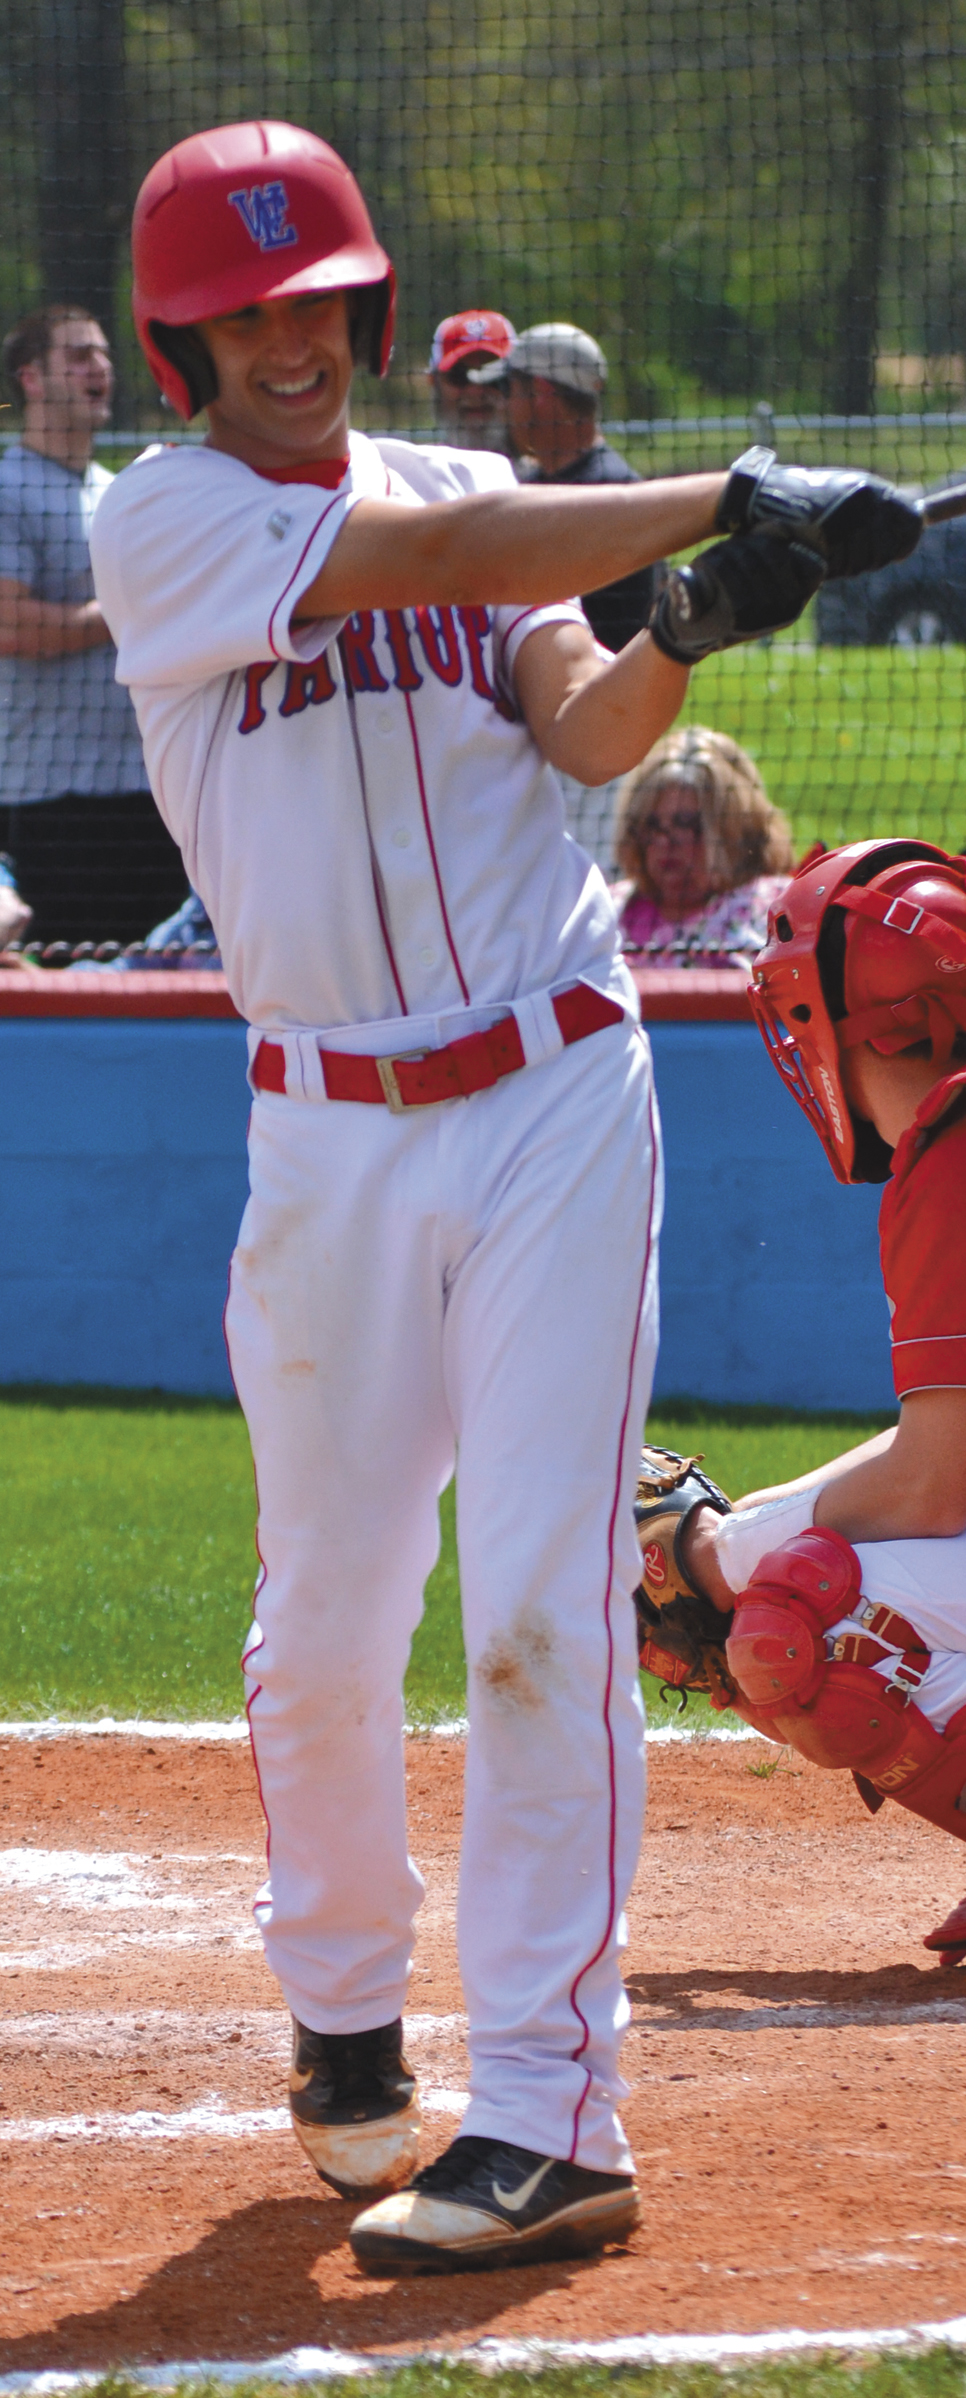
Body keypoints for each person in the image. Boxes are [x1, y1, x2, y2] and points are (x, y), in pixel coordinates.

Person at [89, 118, 905, 2276]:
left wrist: (714, 612)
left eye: (318, 303)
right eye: (243, 314)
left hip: (553, 1083)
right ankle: (347, 2018)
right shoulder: (158, 520)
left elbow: (572, 711)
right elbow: (412, 576)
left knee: (546, 1599)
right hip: (326, 1130)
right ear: (184, 346)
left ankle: (556, 2105)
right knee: (327, 1625)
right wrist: (721, 497)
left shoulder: (477, 506)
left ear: (363, 308)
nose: (290, 345)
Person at [653, 839, 966, 1968]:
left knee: (794, 1619)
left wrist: (719, 1556)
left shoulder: (954, 1144)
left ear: (882, 1024)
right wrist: (742, 1530)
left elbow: (937, 1481)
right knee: (784, 1567)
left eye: (808, 1010)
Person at [0, 305, 187, 949]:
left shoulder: (116, 491)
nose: (99, 367)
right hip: (51, 799)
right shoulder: (7, 486)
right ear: (30, 379)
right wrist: (133, 607)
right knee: (64, 996)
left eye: (103, 354)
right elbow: (11, 627)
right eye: (78, 355)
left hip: (145, 791)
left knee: (160, 983)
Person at [484, 323, 668, 873]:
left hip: (587, 744)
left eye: (510, 389)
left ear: (540, 392)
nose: (504, 406)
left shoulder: (602, 495)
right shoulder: (554, 484)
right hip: (561, 736)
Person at [612, 725, 794, 967]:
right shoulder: (609, 910)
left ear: (732, 830)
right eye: (651, 825)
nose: (664, 842)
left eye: (685, 824)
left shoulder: (776, 908)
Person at [427, 309, 516, 450]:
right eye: (459, 376)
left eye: (492, 374)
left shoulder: (549, 466)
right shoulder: (416, 469)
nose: (476, 392)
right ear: (433, 381)